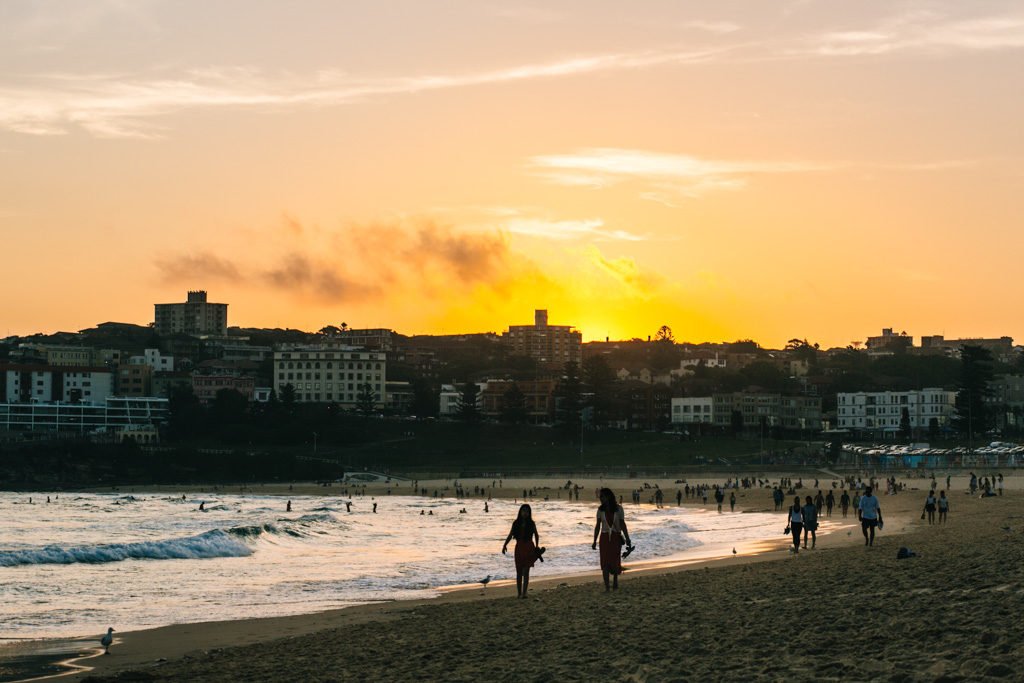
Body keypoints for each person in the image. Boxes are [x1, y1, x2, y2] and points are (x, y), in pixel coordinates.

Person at [592, 488, 631, 591]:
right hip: (604, 538)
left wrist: (627, 538)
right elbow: (597, 526)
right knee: (604, 562)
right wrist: (594, 541)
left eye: (602, 497)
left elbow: (623, 525)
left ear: (608, 497)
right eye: (600, 497)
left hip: (615, 538)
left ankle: (615, 581)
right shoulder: (600, 510)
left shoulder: (619, 509)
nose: (600, 499)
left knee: (615, 561)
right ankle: (607, 587)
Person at [502, 504, 540, 599]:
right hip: (519, 548)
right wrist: (504, 545)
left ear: (529, 513)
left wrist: (536, 546)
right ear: (520, 512)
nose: (525, 513)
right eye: (523, 511)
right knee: (519, 572)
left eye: (527, 511)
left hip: (529, 548)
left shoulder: (531, 523)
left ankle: (524, 593)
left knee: (526, 571)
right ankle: (519, 593)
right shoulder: (516, 523)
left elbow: (536, 535)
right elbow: (510, 535)